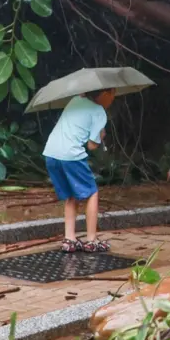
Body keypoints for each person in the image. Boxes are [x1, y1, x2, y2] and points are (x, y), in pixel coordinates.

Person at [43, 89, 116, 253]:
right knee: (92, 192)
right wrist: (101, 135)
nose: (113, 97)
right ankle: (91, 240)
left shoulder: (75, 100)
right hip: (70, 156)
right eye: (112, 93)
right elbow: (91, 145)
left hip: (51, 153)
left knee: (71, 194)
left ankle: (69, 239)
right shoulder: (99, 112)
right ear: (103, 94)